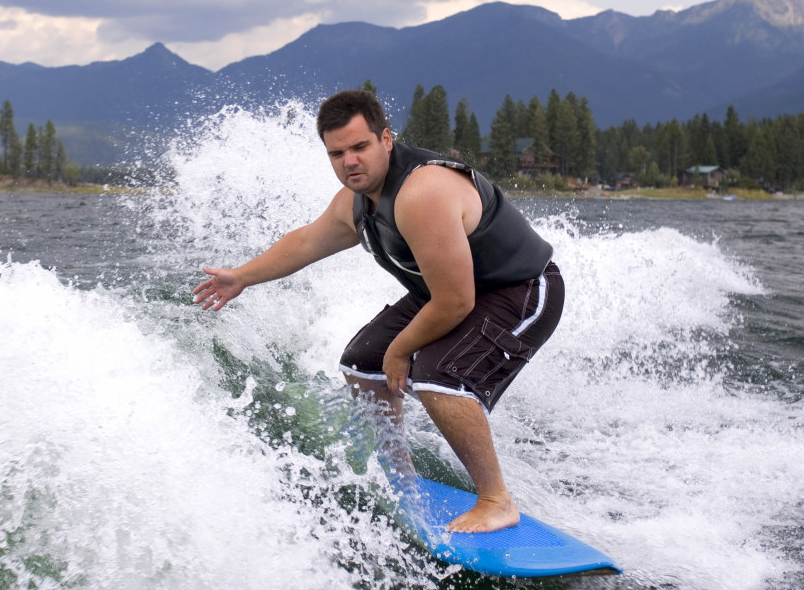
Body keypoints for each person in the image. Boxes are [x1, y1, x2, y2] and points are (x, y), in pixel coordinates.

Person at [193, 89, 564, 533]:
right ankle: (402, 480)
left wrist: (401, 349)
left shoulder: (421, 193)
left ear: (386, 139)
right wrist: (242, 277)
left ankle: (497, 500)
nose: (350, 161)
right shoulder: (356, 201)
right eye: (337, 153)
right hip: (453, 291)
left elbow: (456, 301)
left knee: (436, 374)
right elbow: (308, 241)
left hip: (522, 291)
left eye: (360, 147)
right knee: (361, 363)